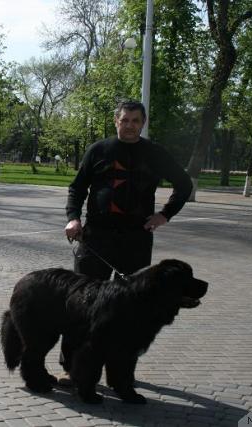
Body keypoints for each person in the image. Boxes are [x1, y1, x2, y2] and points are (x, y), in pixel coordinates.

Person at [58, 100, 192, 384]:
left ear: (142, 123)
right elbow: (78, 187)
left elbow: (184, 184)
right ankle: (72, 368)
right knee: (82, 306)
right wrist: (73, 218)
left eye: (135, 120)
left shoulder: (155, 153)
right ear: (116, 121)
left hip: (136, 241)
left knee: (132, 312)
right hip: (96, 239)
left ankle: (120, 373)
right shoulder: (98, 150)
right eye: (125, 120)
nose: (129, 125)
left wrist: (164, 215)